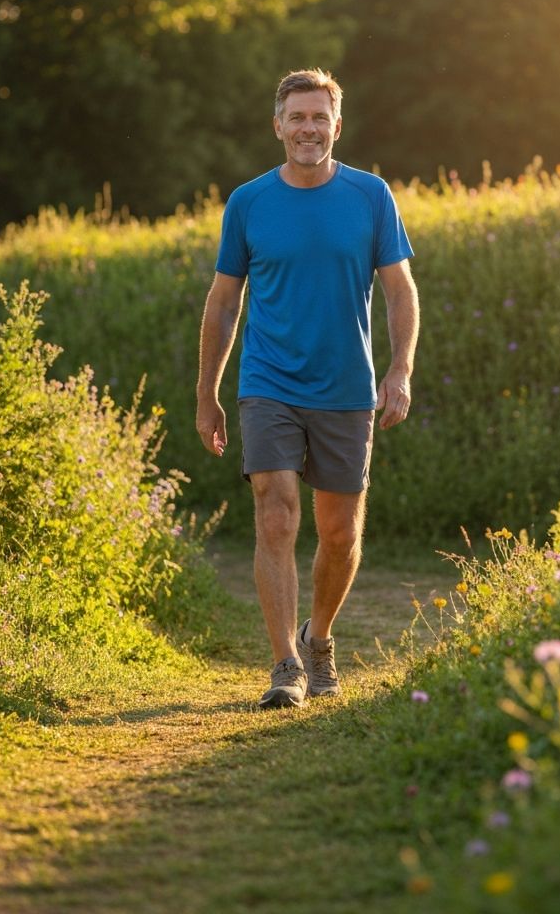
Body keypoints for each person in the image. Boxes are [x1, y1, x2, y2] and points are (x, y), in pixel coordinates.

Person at [195, 68, 419, 709]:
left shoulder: (371, 196)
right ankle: (285, 666)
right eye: (297, 117)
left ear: (336, 126)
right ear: (278, 126)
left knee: (341, 532)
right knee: (275, 513)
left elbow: (400, 289)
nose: (308, 128)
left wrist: (399, 369)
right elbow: (222, 302)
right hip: (268, 381)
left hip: (348, 386)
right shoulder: (248, 202)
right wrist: (207, 393)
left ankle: (317, 638)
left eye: (319, 117)